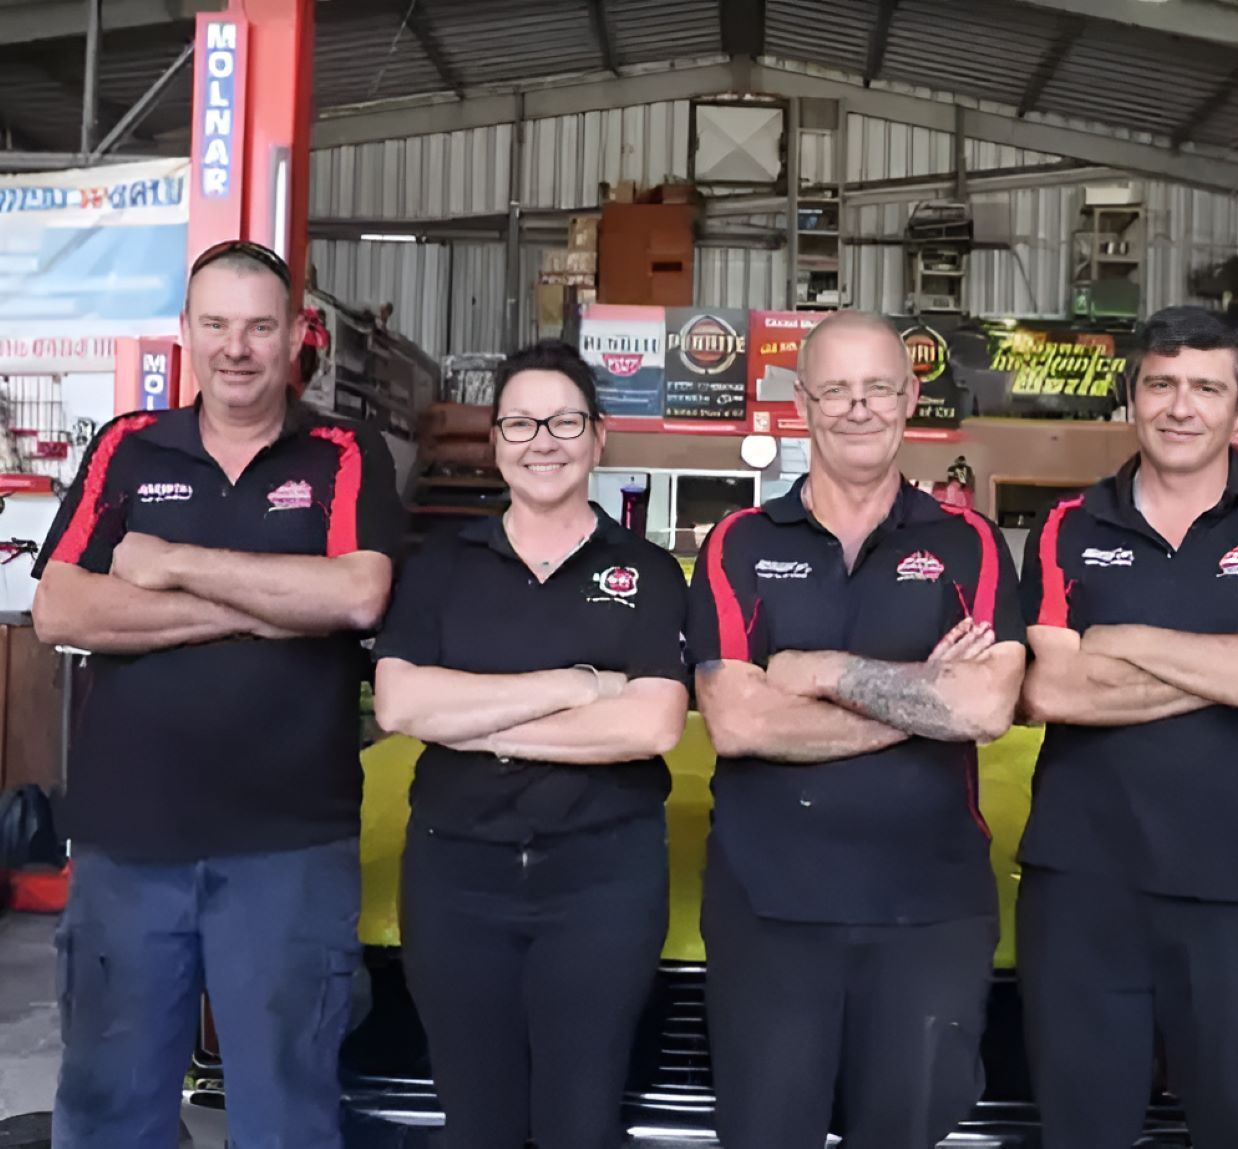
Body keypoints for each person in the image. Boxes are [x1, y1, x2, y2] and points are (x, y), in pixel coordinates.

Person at [31, 239, 403, 1149]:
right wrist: (273, 600)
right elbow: (59, 607)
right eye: (217, 325)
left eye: (260, 326)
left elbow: (355, 594)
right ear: (188, 333)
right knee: (111, 1109)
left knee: (286, 1112)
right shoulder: (125, 446)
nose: (238, 347)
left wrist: (170, 566)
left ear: (294, 337)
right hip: (128, 844)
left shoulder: (342, 452)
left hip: (290, 848)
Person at [1017, 305, 1238, 1149]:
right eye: (1161, 384)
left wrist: (1129, 642)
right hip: (1083, 886)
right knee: (1080, 1131)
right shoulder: (1069, 525)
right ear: (1130, 397)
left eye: (1207, 387)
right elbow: (1053, 690)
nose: (1182, 407)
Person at [687, 310, 1027, 1149]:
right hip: (769, 910)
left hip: (929, 913)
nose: (858, 407)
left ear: (911, 398)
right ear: (800, 403)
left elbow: (985, 708)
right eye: (835, 389)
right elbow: (736, 718)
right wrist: (923, 701)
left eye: (878, 387)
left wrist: (824, 671)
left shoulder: (968, 545)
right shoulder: (738, 542)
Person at [371, 340, 690, 1149]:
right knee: (477, 1122)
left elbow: (651, 724)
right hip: (456, 878)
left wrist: (474, 718)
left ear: (597, 437)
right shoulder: (442, 564)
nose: (541, 439)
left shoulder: (648, 572)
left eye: (563, 421)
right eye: (519, 421)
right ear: (495, 440)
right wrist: (579, 684)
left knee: (579, 1123)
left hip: (602, 880)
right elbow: (404, 703)